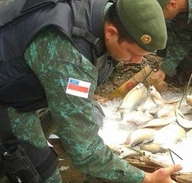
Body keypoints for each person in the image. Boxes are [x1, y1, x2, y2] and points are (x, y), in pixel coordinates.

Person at [0, 0, 182, 182]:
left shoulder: (102, 12)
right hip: (7, 97)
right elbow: (84, 151)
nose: (136, 61)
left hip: (21, 71)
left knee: (92, 115)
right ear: (111, 32)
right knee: (40, 173)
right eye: (132, 53)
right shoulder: (69, 57)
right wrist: (146, 179)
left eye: (143, 56)